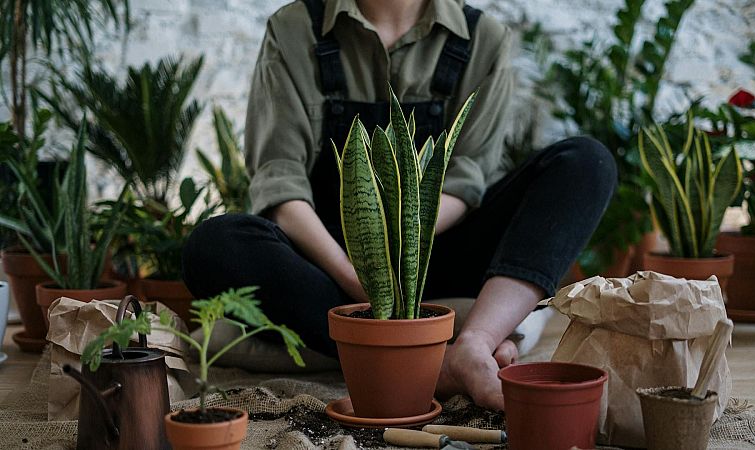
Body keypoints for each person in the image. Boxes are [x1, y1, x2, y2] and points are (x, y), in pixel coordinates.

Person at [183, 0, 617, 411]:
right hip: (331, 270)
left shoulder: (483, 37)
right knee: (215, 244)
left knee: (586, 162)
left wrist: (404, 255)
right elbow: (280, 184)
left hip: (437, 250)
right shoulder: (295, 29)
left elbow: (465, 181)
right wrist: (361, 277)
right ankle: (425, 359)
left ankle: (473, 344)